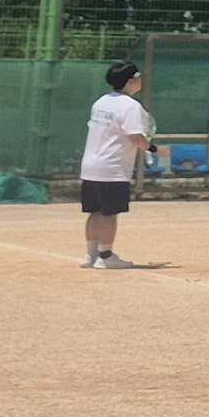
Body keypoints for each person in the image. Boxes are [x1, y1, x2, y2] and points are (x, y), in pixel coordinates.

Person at [79, 59, 151, 269]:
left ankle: (91, 256)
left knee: (95, 212)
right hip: (112, 169)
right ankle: (106, 257)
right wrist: (152, 148)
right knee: (110, 214)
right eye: (138, 77)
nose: (141, 80)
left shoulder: (101, 102)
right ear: (131, 81)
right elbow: (136, 137)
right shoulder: (130, 106)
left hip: (90, 167)